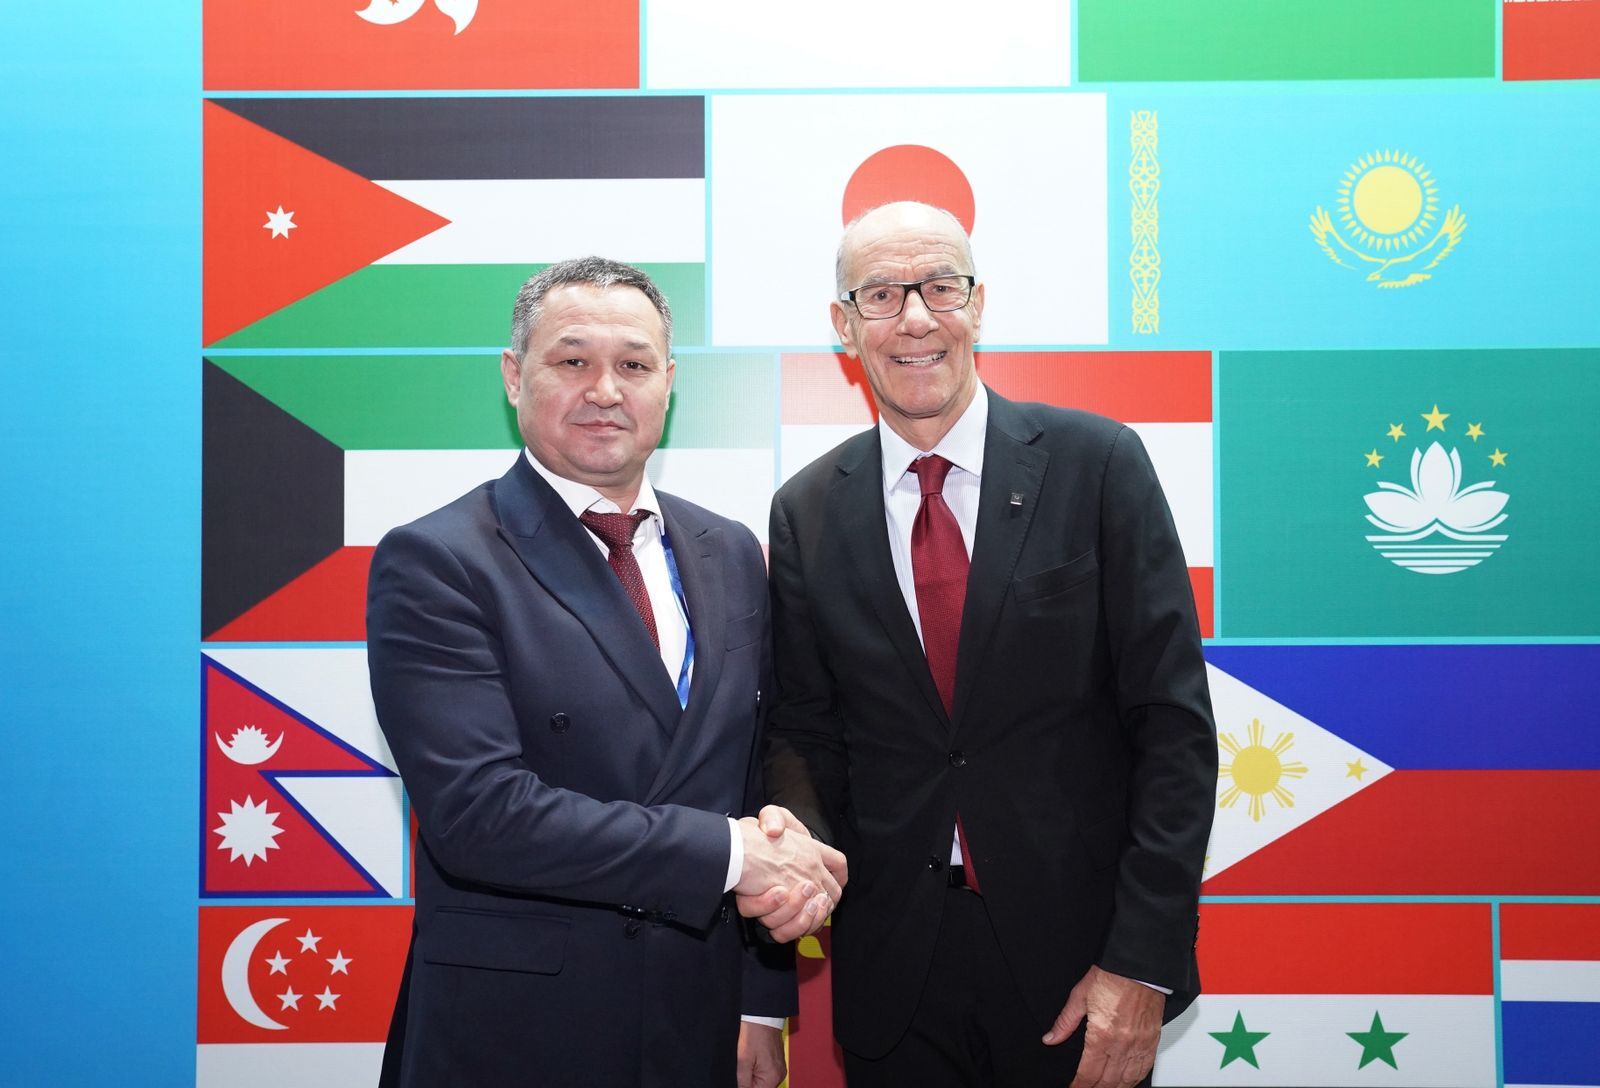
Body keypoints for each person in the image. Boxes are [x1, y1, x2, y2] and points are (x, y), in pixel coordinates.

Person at [764, 203, 1216, 1088]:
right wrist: (800, 852)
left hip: (1081, 970)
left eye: (940, 287)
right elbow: (805, 735)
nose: (916, 319)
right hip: (894, 974)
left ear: (978, 304)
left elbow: (1173, 729)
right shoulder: (806, 510)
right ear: (843, 327)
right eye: (881, 295)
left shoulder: (1098, 465)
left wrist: (1142, 961)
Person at [367, 257, 846, 1088]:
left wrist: (760, 1000)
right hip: (518, 1032)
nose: (605, 390)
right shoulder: (438, 560)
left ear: (669, 383)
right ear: (514, 376)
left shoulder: (730, 550)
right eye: (572, 360)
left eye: (633, 364)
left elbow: (749, 770)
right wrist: (729, 857)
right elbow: (479, 815)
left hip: (695, 1020)